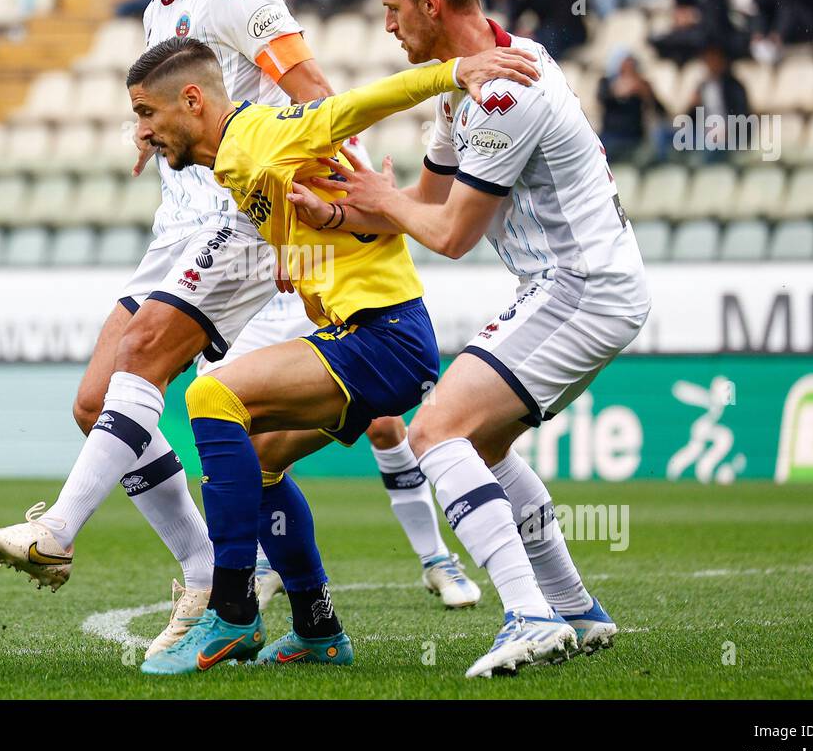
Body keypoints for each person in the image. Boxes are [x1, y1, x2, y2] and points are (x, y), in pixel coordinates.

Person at [0, 0, 533, 659]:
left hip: (240, 214)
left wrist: (356, 193)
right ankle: (213, 569)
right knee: (98, 402)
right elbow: (175, 90)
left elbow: (314, 90)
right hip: (182, 219)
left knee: (165, 370)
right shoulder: (159, 15)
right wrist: (148, 129)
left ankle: (85, 539)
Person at [287, 0, 646, 677]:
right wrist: (342, 213)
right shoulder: (467, 81)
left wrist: (384, 199)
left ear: (429, 2)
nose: (385, 25)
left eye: (392, 9)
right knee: (479, 445)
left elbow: (447, 235)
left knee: (433, 432)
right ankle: (575, 609)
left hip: (582, 290)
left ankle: (530, 616)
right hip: (572, 287)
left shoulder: (505, 92)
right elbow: (421, 201)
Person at [124, 37, 521, 675]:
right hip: (375, 338)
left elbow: (351, 107)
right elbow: (327, 213)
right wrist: (306, 239)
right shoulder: (237, 163)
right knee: (258, 462)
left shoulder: (259, 135)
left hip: (382, 337)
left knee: (210, 395)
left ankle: (231, 609)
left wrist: (452, 73)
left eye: (147, 113)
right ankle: (317, 629)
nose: (141, 131)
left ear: (191, 101)